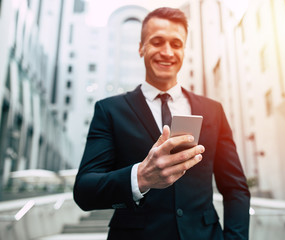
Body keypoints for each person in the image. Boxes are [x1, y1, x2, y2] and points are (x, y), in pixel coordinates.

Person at [74, 7, 250, 240]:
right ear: (141, 48)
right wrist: (140, 177)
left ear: (184, 51)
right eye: (157, 42)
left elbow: (235, 187)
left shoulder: (213, 111)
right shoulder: (109, 111)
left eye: (176, 44)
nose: (167, 52)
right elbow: (85, 190)